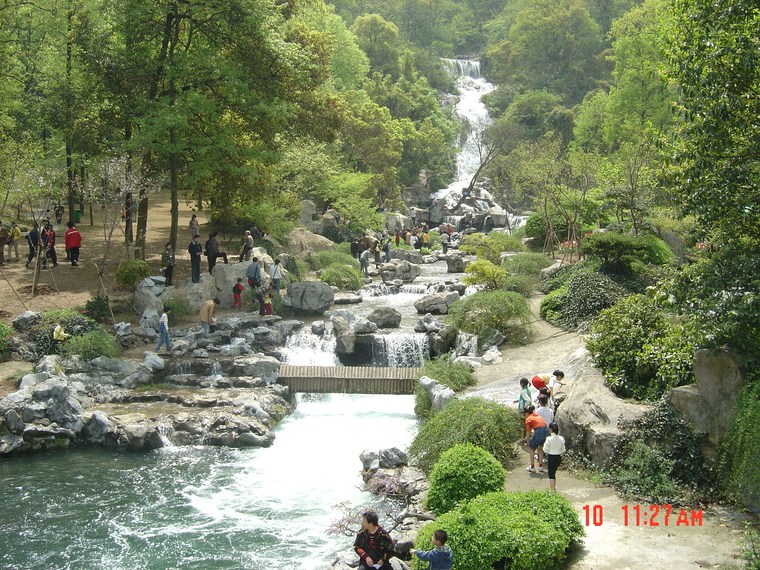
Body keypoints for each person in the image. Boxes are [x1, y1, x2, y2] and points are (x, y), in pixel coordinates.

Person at [524, 405, 548, 473]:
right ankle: (540, 466)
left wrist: (528, 442)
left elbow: (528, 432)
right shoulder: (537, 416)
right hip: (546, 430)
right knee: (540, 448)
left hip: (539, 431)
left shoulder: (528, 419)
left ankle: (532, 467)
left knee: (531, 449)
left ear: (526, 413)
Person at [543, 422, 566, 492]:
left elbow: (545, 449)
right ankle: (554, 488)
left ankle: (552, 490)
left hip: (551, 457)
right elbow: (563, 449)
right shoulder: (561, 438)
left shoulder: (548, 439)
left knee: (551, 475)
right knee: (554, 473)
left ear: (550, 429)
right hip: (558, 457)